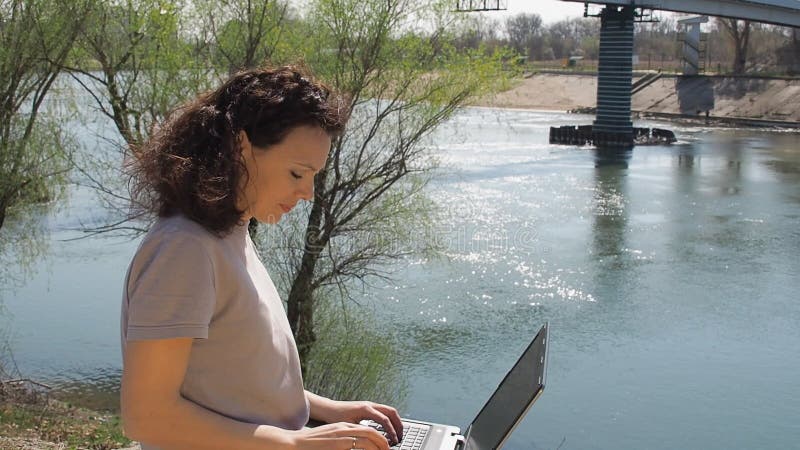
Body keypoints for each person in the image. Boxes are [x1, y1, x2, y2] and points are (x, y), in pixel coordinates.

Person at [120, 65, 402, 450]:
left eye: (314, 176)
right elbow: (146, 417)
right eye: (296, 173)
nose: (309, 193)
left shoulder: (231, 231)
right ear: (240, 147)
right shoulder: (184, 250)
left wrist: (328, 411)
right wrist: (295, 443)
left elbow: (237, 386)